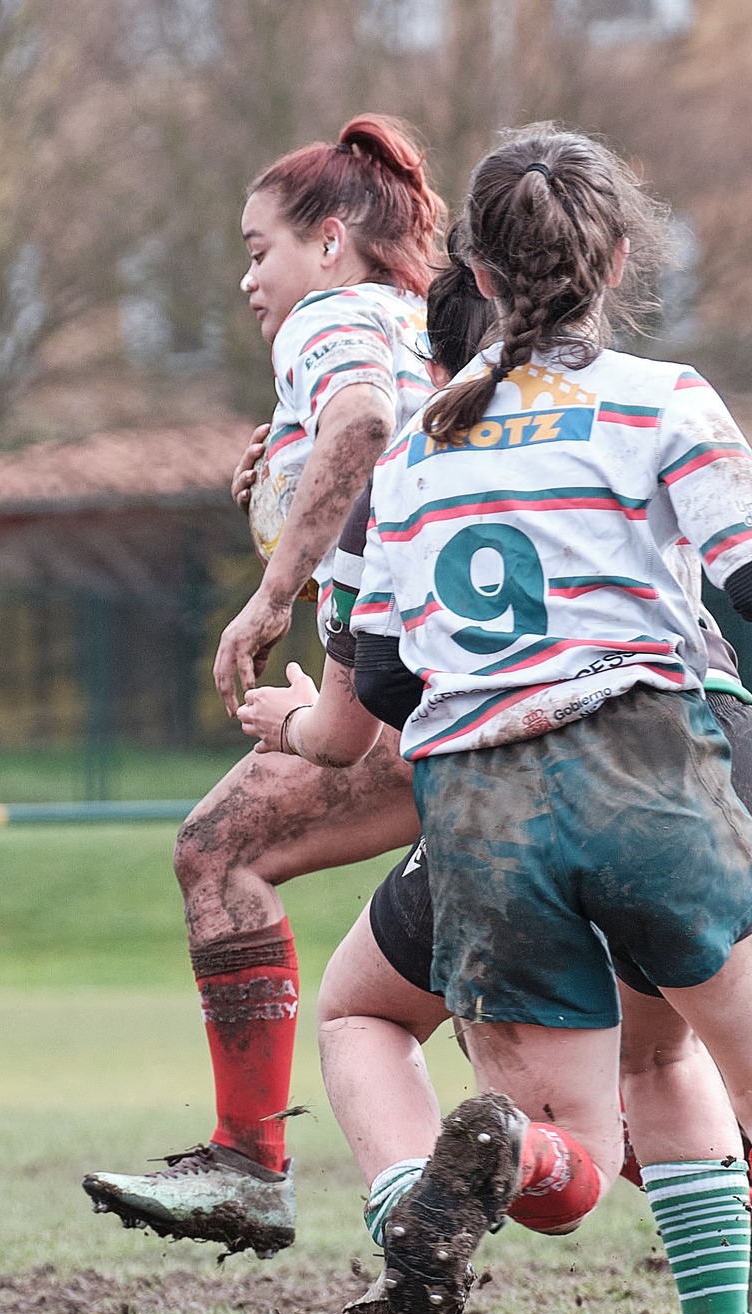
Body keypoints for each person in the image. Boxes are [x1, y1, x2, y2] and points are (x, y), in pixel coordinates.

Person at [339, 123, 752, 1314]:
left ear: (476, 265)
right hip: (644, 764)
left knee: (576, 1160)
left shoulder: (422, 444)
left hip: (474, 799)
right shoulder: (662, 399)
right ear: (614, 257)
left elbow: (373, 674)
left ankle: (509, 1149)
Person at [82, 117, 443, 1256]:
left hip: (427, 694)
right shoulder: (421, 322)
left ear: (329, 241)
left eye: (257, 250)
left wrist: (270, 592)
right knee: (576, 1058)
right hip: (506, 696)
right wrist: (285, 492)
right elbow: (385, 470)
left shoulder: (329, 320)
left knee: (218, 847)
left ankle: (248, 1162)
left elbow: (366, 423)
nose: (248, 280)